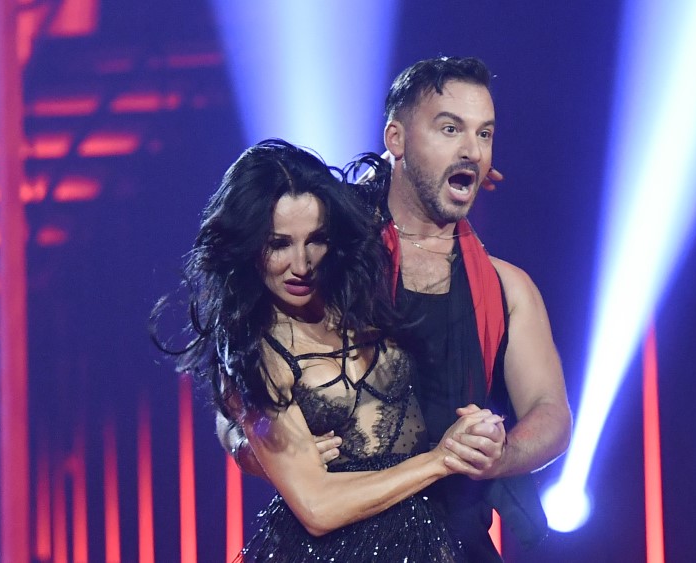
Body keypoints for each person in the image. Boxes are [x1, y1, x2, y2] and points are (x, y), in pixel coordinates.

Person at [223, 56, 573, 562]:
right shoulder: (329, 257)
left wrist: (499, 455)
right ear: (396, 139)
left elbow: (550, 412)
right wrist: (250, 444)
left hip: (457, 542)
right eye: (450, 129)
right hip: (340, 542)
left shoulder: (507, 287)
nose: (471, 150)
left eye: (483, 134)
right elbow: (243, 360)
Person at [164, 139, 504, 562]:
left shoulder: (359, 281)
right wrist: (442, 460)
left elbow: (399, 158)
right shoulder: (253, 350)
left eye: (316, 240)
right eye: (279, 244)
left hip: (431, 537)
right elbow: (317, 508)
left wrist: (453, 163)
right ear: (248, 246)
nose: (302, 265)